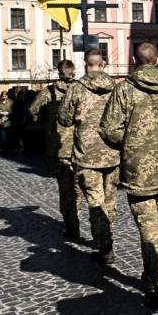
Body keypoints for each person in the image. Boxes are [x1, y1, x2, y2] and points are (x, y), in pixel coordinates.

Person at [100, 42, 158, 310]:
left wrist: (130, 142)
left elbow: (110, 129)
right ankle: (154, 275)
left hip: (138, 171)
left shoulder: (124, 89)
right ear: (157, 60)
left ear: (135, 61)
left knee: (148, 229)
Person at [58, 49, 120, 264]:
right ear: (104, 64)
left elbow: (64, 119)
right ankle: (106, 233)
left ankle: (105, 245)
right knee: (109, 200)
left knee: (96, 202)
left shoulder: (76, 88)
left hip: (87, 155)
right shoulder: (118, 87)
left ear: (86, 65)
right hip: (113, 152)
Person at [29, 60, 81, 241]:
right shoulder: (82, 90)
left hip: (58, 149)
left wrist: (49, 126)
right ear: (73, 72)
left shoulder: (47, 93)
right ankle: (80, 220)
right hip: (81, 148)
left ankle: (72, 226)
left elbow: (33, 111)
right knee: (80, 189)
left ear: (58, 72)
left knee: (66, 191)